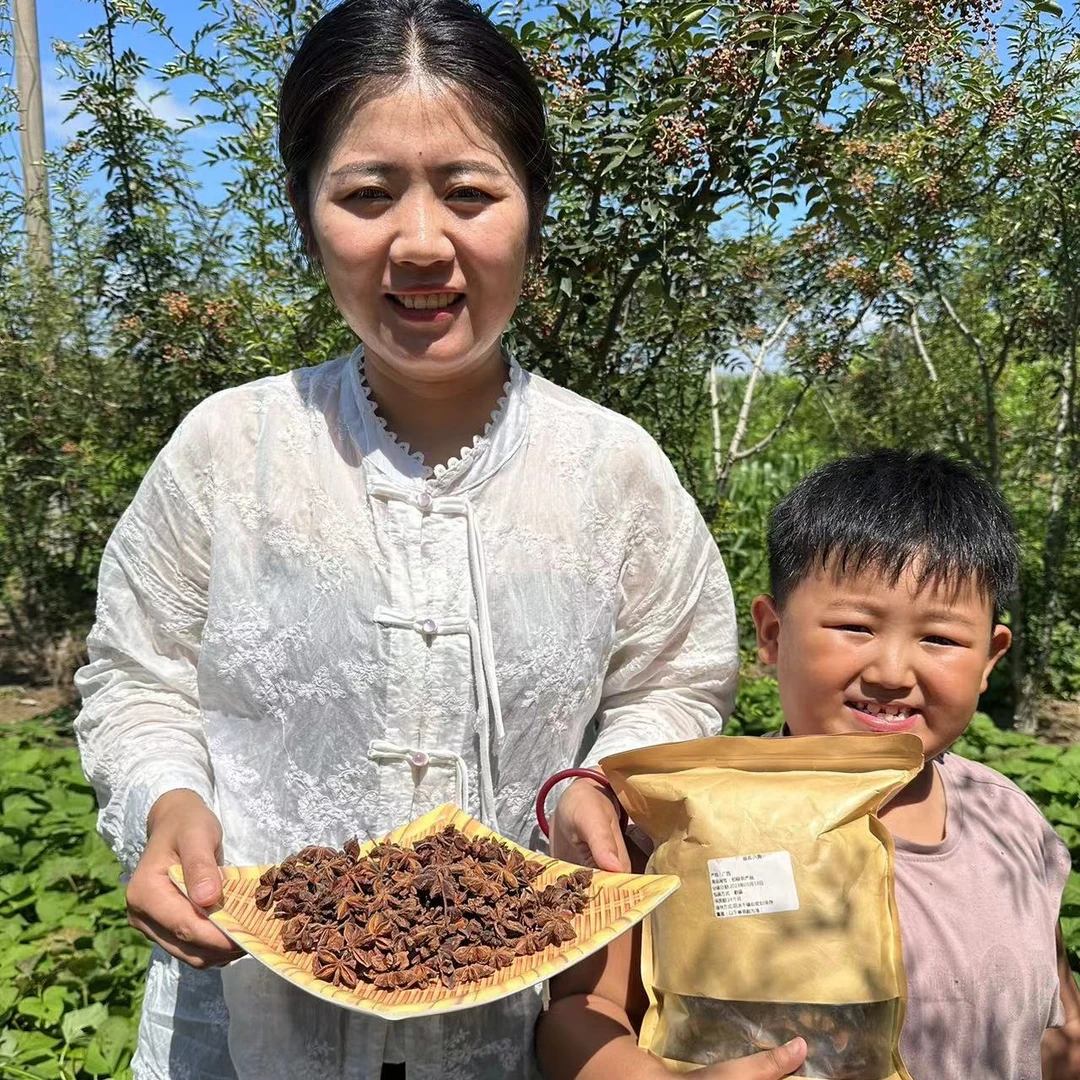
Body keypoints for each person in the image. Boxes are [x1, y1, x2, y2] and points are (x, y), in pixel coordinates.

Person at [72, 1, 739, 1077]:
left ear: (532, 208)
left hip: (525, 1029)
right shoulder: (228, 449)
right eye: (368, 194)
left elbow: (679, 677)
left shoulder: (612, 469)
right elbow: (137, 681)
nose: (422, 242)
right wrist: (166, 801)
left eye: (470, 192)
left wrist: (595, 787)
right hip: (244, 1013)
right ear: (306, 216)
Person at [538, 450, 1080, 1080]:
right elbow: (581, 1009)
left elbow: (1057, 1023)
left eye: (941, 638)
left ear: (991, 657)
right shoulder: (679, 813)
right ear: (771, 635)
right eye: (855, 626)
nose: (891, 672)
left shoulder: (1009, 820)